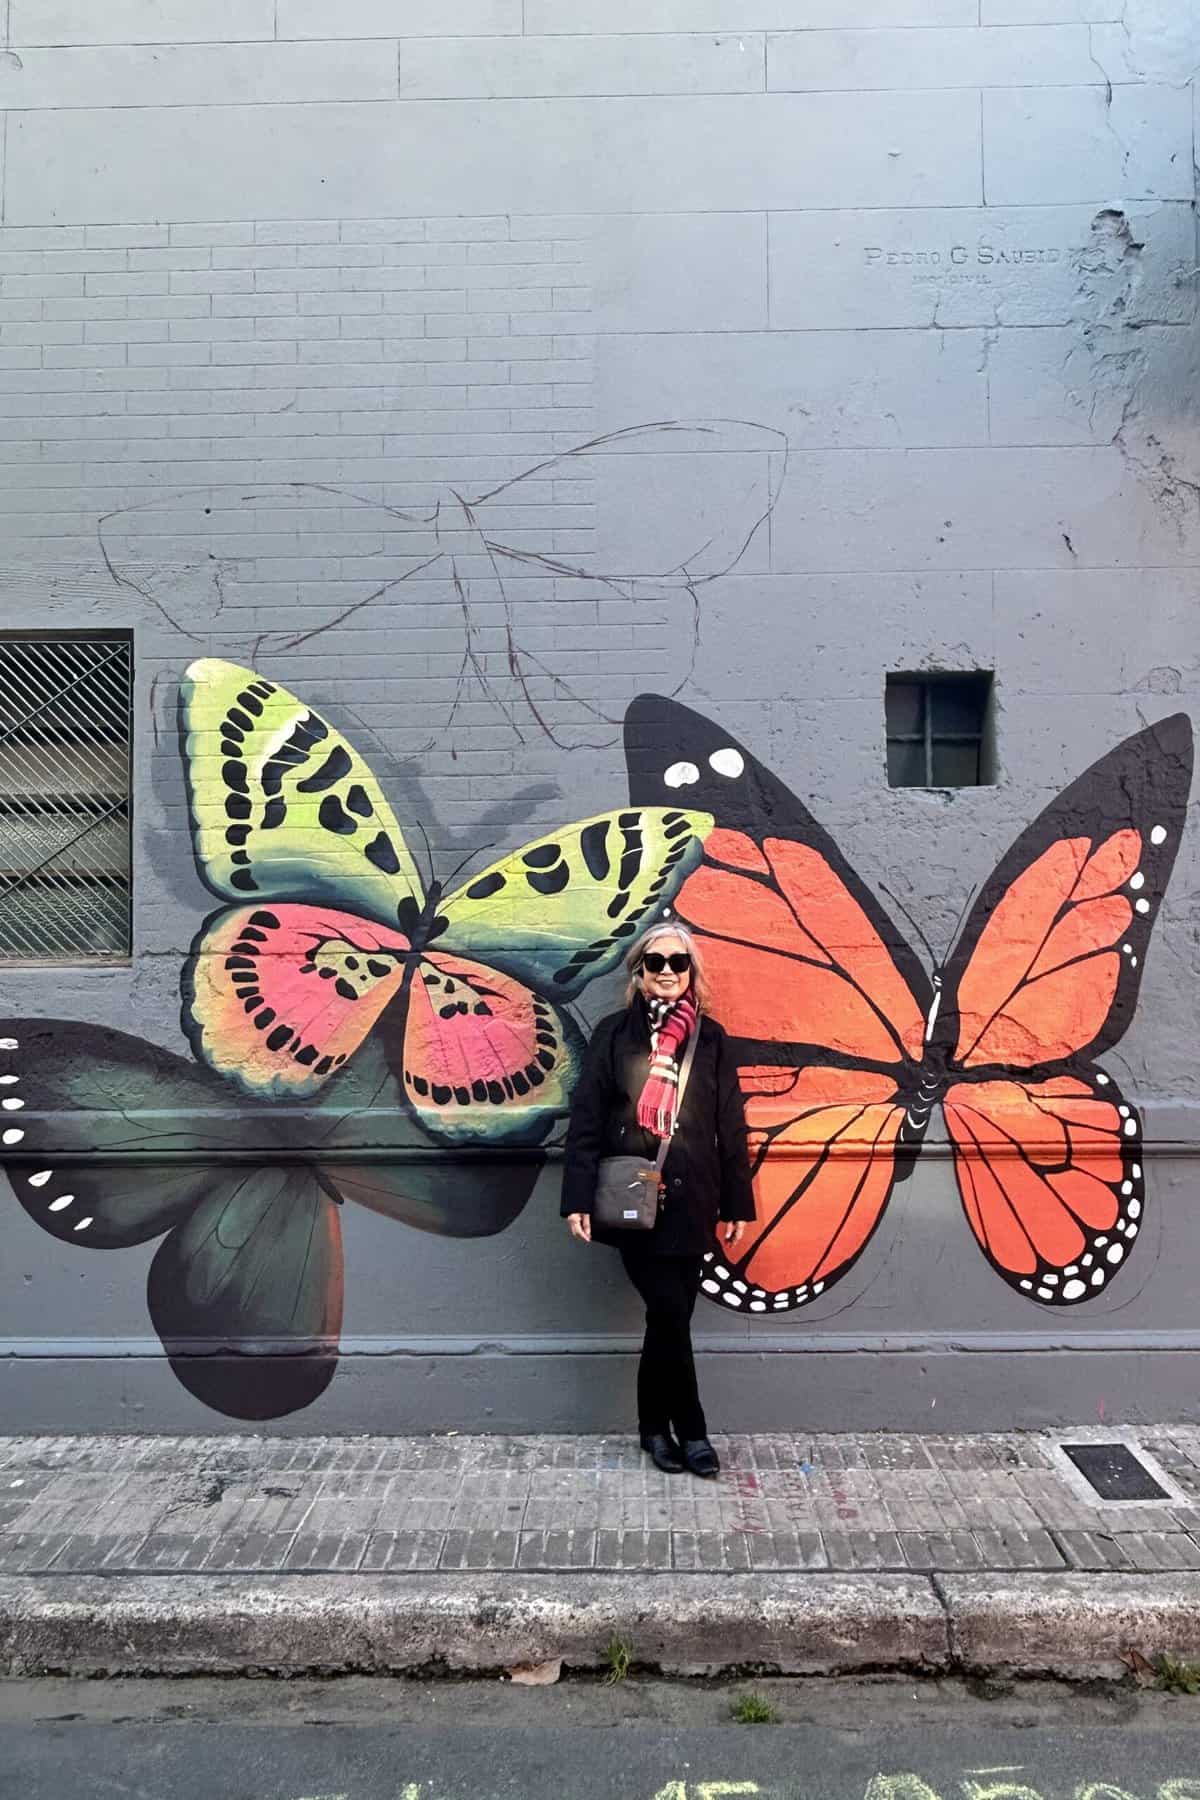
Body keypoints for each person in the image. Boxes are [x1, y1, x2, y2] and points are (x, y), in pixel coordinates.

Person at [561, 921, 756, 1477]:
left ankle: (652, 1428)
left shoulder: (711, 1039)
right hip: (632, 1202)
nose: (667, 971)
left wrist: (737, 1203)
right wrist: (576, 1196)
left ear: (691, 972)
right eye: (655, 962)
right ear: (639, 972)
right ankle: (692, 1431)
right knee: (670, 1313)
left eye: (678, 962)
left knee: (665, 1320)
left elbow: (729, 1125)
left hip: (694, 1200)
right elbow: (587, 1121)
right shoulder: (613, 1035)